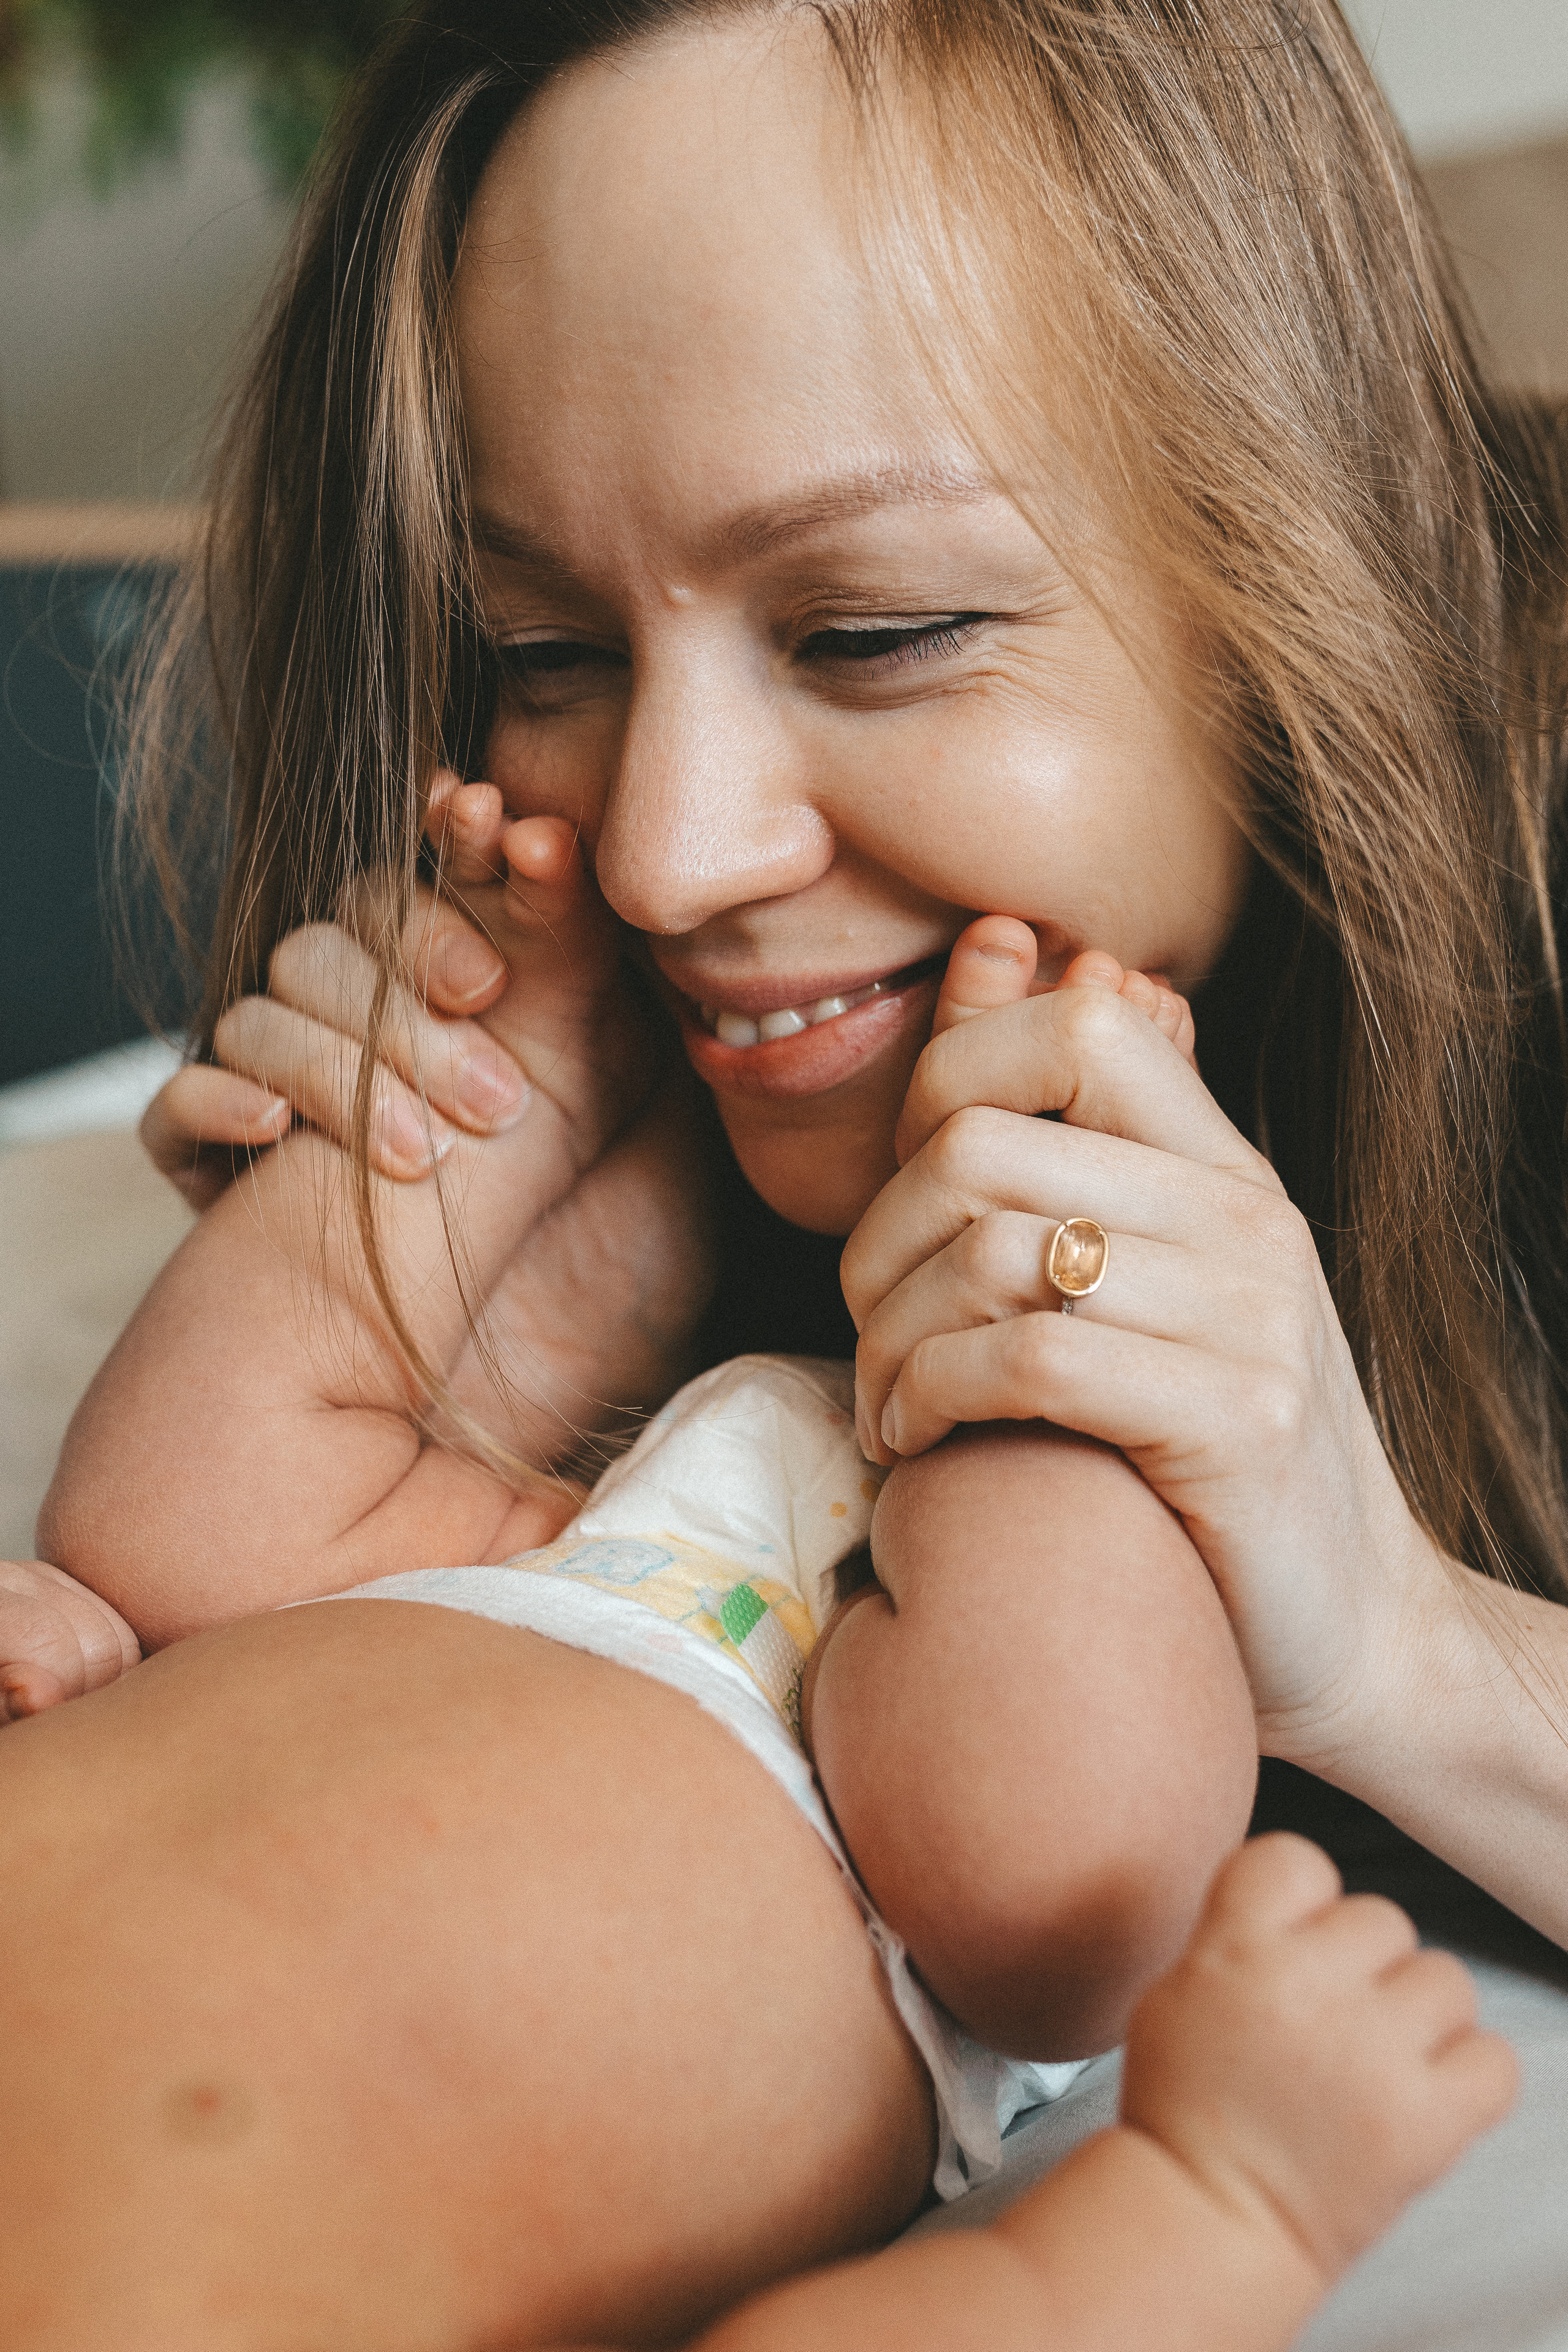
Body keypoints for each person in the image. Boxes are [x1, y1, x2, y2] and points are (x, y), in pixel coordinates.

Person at [1, 0, 1564, 2339]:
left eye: (879, 627)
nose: (657, 849)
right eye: (539, 643)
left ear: (1298, 566)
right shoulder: (593, 1109)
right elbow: (196, 1572)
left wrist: (1391, 1637)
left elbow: (1042, 1869)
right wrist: (392, 1238)